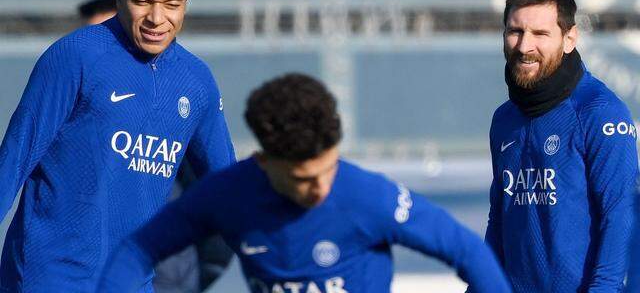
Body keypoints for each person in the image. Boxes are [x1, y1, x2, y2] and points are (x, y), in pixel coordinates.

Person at [99, 73, 512, 293]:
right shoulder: (227, 195)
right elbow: (139, 248)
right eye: (303, 178)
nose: (321, 187)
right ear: (263, 162)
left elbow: (465, 248)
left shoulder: (367, 196)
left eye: (328, 169)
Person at [0, 0, 235, 292]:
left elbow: (229, 188)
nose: (157, 19)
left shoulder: (196, 80)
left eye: (172, 4)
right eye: (142, 1)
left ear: (185, 5)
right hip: (50, 279)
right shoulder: (76, 56)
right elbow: (12, 162)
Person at [477, 0, 638, 292]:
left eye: (540, 33)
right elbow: (500, 220)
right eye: (515, 31)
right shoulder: (504, 120)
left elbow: (621, 217)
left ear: (570, 39)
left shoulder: (600, 112)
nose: (525, 46)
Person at [77, 0, 233, 293]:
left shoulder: (178, 115)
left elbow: (220, 192)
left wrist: (206, 270)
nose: (95, 51)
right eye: (87, 37)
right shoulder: (69, 121)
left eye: (107, 36)